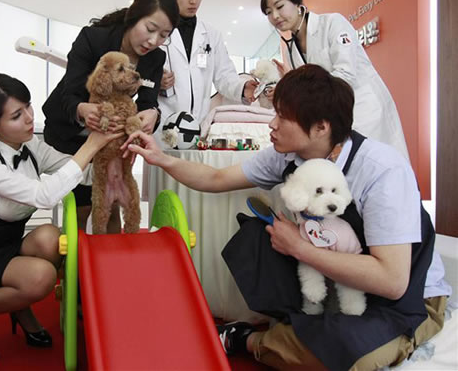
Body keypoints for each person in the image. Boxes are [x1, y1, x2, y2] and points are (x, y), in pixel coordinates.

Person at [121, 64, 451, 370]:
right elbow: (216, 178)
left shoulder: (381, 171)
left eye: (282, 116)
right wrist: (161, 158)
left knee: (353, 357)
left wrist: (300, 248)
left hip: (405, 298)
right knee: (254, 242)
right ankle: (308, 325)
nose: (271, 124)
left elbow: (392, 281)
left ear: (321, 127)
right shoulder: (288, 156)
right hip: (334, 280)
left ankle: (250, 340)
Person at [0, 73, 122, 364]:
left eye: (28, 106)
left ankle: (19, 306)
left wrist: (117, 159)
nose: (29, 118)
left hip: (9, 251)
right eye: (16, 115)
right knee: (42, 277)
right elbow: (44, 195)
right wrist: (91, 145)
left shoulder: (30, 145)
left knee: (51, 237)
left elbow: (77, 172)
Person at [42, 0, 179, 230]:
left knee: (113, 201)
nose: (153, 41)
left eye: (163, 35)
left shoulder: (155, 58)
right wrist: (83, 110)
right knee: (84, 207)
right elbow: (69, 93)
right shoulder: (94, 38)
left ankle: (114, 252)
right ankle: (76, 254)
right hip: (70, 132)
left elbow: (148, 102)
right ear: (134, 17)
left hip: (111, 138)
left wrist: (152, 114)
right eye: (150, 29)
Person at [260, 0, 410, 160]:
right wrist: (285, 92)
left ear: (298, 3)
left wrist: (301, 92)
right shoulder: (290, 48)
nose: (275, 16)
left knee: (379, 164)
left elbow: (345, 74)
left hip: (364, 109)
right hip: (334, 118)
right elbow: (305, 87)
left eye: (279, 6)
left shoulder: (332, 23)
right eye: (268, 12)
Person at [157, 0, 258, 147]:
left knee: (193, 166)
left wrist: (243, 88)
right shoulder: (157, 30)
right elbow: (139, 73)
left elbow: (224, 76)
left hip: (198, 126)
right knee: (162, 164)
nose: (193, 1)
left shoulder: (211, 35)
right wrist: (156, 80)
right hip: (164, 123)